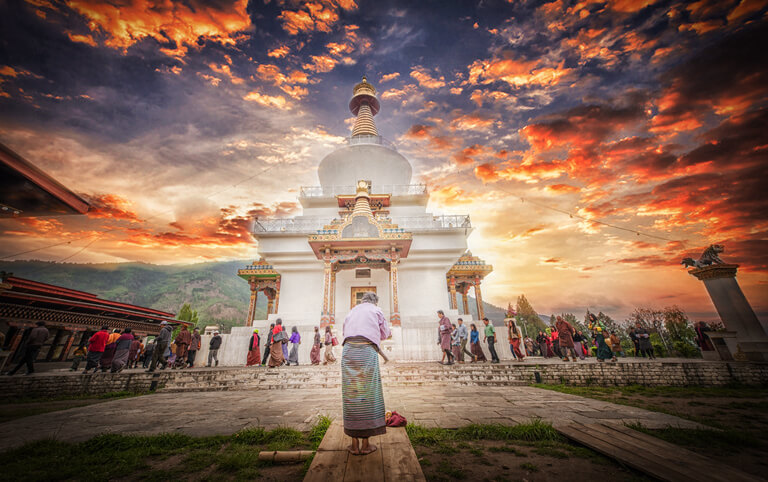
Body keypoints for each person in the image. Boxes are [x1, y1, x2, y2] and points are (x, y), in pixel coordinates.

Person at [341, 291, 391, 455]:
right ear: (374, 301)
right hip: (366, 351)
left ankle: (354, 445)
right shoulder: (376, 310)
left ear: (362, 301)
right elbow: (385, 333)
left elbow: (344, 332)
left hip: (348, 351)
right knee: (368, 394)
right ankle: (365, 445)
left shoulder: (352, 311)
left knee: (352, 394)